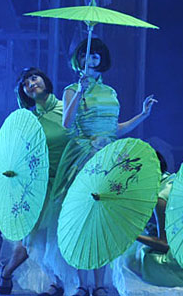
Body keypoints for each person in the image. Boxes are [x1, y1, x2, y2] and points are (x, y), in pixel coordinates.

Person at [39, 37, 158, 296]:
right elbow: (67, 123)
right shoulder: (71, 89)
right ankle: (83, 284)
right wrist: (80, 91)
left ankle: (101, 284)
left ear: (102, 59)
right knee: (83, 219)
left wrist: (142, 115)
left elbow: (115, 129)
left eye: (95, 54)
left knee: (104, 221)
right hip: (82, 158)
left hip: (108, 159)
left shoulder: (110, 92)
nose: (91, 59)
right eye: (85, 54)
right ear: (78, 59)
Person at [0, 67, 72, 295]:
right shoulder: (29, 120)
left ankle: (59, 284)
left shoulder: (67, 108)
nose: (30, 84)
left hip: (69, 180)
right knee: (32, 240)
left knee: (62, 236)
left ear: (44, 80)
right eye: (25, 84)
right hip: (40, 185)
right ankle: (7, 272)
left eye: (33, 78)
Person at [112, 151, 183, 295]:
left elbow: (165, 244)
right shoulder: (177, 181)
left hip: (180, 266)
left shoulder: (161, 198)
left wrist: (132, 235)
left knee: (127, 259)